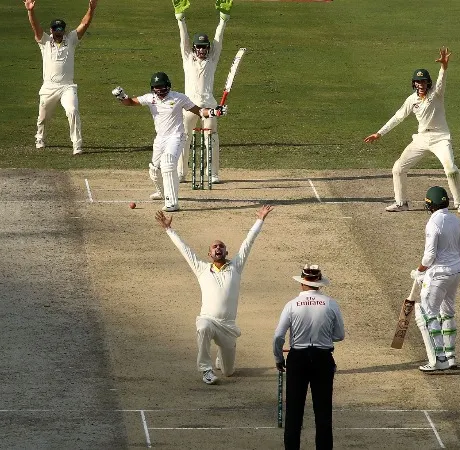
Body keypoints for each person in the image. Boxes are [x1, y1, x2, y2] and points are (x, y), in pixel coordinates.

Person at [154, 204, 273, 384]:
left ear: (226, 252)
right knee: (202, 327)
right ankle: (206, 370)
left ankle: (221, 358)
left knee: (228, 372)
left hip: (228, 327)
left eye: (221, 246)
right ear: (209, 253)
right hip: (208, 319)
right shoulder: (201, 268)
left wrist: (260, 219)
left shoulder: (236, 266)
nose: (218, 248)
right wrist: (169, 229)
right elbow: (185, 250)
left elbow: (248, 242)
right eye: (215, 247)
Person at [363, 47, 460, 215]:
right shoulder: (411, 100)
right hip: (421, 138)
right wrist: (379, 133)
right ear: (414, 84)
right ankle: (402, 203)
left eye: (424, 82)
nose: (421, 84)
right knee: (398, 168)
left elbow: (442, 80)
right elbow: (398, 117)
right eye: (418, 82)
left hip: (440, 138)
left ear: (428, 83)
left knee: (451, 170)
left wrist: (443, 66)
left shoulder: (437, 94)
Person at [111, 73, 227, 212]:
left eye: (162, 87)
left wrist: (214, 112)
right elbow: (130, 102)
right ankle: (161, 192)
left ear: (168, 86)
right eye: (157, 87)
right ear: (153, 88)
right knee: (155, 169)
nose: (160, 90)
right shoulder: (150, 98)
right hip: (160, 139)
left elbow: (200, 111)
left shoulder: (179, 97)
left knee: (168, 163)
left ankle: (172, 202)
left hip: (176, 137)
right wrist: (122, 96)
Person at [273, 264, 345, 450]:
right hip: (323, 358)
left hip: (298, 358)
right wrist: (324, 337)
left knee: (294, 412)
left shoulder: (291, 305)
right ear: (319, 283)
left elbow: (279, 336)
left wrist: (279, 358)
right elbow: (339, 335)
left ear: (302, 283)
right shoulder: (330, 303)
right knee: (323, 412)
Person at [24, 0, 98, 156]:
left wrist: (91, 8)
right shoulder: (45, 41)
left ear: (64, 30)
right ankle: (40, 138)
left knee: (73, 110)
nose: (59, 32)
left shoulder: (70, 40)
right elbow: (35, 27)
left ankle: (77, 144)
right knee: (43, 117)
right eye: (56, 30)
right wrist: (30, 11)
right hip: (49, 86)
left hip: (67, 87)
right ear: (51, 30)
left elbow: (84, 24)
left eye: (61, 30)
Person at [172, 0, 233, 184]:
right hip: (189, 106)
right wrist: (181, 19)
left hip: (209, 105)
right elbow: (183, 39)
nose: (202, 50)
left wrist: (223, 19)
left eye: (205, 47)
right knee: (184, 138)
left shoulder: (212, 59)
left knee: (211, 138)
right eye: (199, 47)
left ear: (208, 48)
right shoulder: (188, 58)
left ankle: (212, 173)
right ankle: (181, 173)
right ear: (194, 48)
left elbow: (218, 41)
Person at [410, 186, 460, 372]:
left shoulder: (433, 223)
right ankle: (450, 357)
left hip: (439, 274)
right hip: (456, 271)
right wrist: (453, 266)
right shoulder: (455, 220)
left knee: (427, 314)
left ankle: (438, 360)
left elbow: (429, 255)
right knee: (447, 312)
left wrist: (419, 271)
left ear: (430, 204)